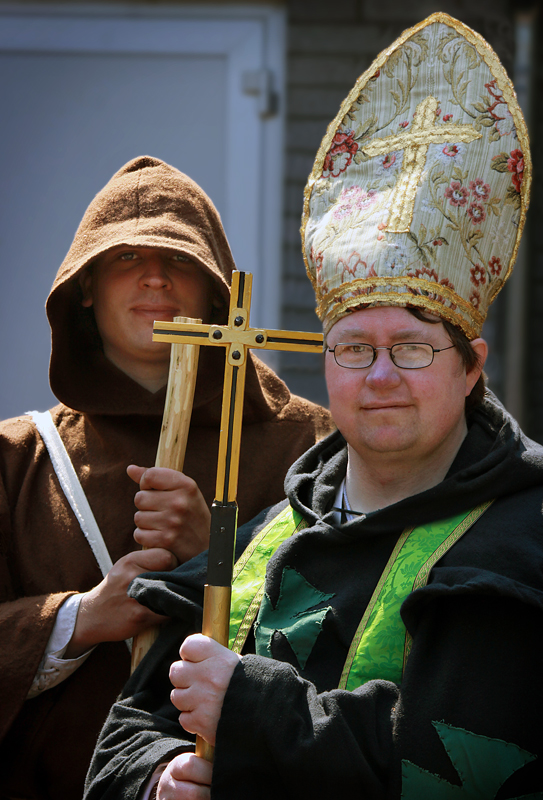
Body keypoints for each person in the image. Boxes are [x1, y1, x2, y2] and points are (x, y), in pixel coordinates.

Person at [85, 14, 543, 799]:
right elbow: (124, 735)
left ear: (471, 367)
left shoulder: (520, 537)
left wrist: (252, 706)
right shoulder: (261, 533)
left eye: (411, 348)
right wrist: (159, 778)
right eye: (353, 349)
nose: (379, 377)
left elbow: (467, 760)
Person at [0, 155, 334, 799]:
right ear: (85, 287)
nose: (155, 278)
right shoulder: (18, 460)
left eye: (180, 260)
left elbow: (348, 629)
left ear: (218, 291)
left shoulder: (309, 446)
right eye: (126, 258)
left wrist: (221, 557)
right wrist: (80, 619)